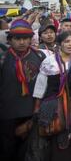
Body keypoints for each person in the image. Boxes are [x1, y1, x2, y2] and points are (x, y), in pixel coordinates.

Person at [33, 32, 71, 161]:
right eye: (67, 41)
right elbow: (40, 85)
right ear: (60, 44)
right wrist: (37, 106)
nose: (70, 44)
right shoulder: (49, 62)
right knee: (57, 134)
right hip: (55, 107)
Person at [0, 19, 46, 161]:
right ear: (10, 39)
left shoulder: (40, 57)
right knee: (7, 151)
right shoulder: (2, 58)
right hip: (6, 114)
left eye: (25, 38)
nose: (22, 42)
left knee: (29, 152)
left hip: (31, 113)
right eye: (17, 38)